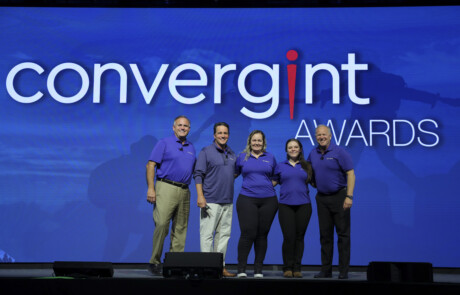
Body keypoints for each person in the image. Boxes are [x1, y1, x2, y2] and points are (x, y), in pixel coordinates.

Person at [146, 115, 196, 275]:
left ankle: (175, 263)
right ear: (173, 127)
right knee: (161, 224)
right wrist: (151, 188)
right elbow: (151, 165)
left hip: (184, 190)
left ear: (189, 129)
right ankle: (154, 262)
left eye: (186, 126)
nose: (183, 128)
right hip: (165, 187)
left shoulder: (191, 147)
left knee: (180, 228)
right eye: (180, 125)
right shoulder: (164, 143)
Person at [307, 125, 355, 279]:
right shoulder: (313, 153)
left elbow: (351, 174)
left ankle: (343, 271)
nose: (321, 137)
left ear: (330, 136)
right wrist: (314, 183)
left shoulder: (340, 152)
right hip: (322, 199)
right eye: (319, 135)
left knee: (343, 235)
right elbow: (309, 171)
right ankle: (326, 270)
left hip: (340, 197)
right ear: (315, 137)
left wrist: (349, 196)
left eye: (324, 135)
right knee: (325, 236)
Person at [193, 122, 237, 278]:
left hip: (228, 201)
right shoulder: (206, 151)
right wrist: (200, 196)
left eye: (225, 133)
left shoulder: (232, 153)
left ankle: (220, 267)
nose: (223, 136)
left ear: (228, 135)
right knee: (207, 236)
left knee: (224, 236)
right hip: (210, 200)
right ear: (214, 135)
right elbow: (198, 175)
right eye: (220, 133)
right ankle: (207, 268)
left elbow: (234, 173)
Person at [235, 130, 278, 278]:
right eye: (254, 140)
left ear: (263, 142)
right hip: (247, 199)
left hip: (269, 201)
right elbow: (234, 173)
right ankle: (241, 269)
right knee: (247, 234)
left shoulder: (270, 157)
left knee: (262, 235)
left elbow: (275, 177)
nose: (257, 143)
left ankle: (258, 270)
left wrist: (264, 187)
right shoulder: (242, 157)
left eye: (259, 140)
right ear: (250, 142)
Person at [272, 139, 313, 278]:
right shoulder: (280, 166)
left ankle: (297, 268)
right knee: (289, 237)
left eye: (296, 147)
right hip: (285, 205)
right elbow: (272, 183)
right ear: (286, 150)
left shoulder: (307, 166)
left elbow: (316, 182)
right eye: (290, 147)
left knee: (299, 237)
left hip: (304, 206)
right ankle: (287, 268)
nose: (293, 149)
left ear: (300, 149)